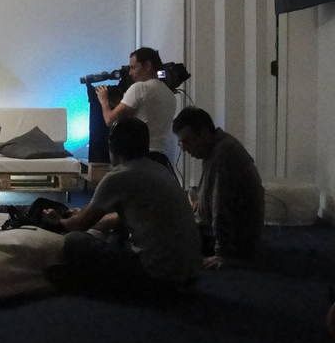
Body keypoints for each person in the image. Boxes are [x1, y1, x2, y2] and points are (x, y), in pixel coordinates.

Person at [42, 117, 200, 292]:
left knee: (75, 241)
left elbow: (78, 225)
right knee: (117, 233)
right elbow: (122, 217)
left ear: (112, 146)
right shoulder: (159, 169)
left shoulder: (119, 176)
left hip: (157, 275)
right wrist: (87, 216)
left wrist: (59, 221)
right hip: (189, 273)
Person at [172, 106, 265, 269]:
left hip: (235, 245)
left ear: (204, 133)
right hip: (232, 238)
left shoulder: (223, 154)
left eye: (187, 141)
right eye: (181, 143)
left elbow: (220, 208)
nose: (184, 149)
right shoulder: (217, 148)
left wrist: (222, 254)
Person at [95, 47, 176, 173]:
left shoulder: (139, 88)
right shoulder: (169, 94)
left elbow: (110, 120)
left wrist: (103, 100)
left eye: (133, 67)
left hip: (139, 159)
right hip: (161, 160)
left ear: (147, 66)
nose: (130, 73)